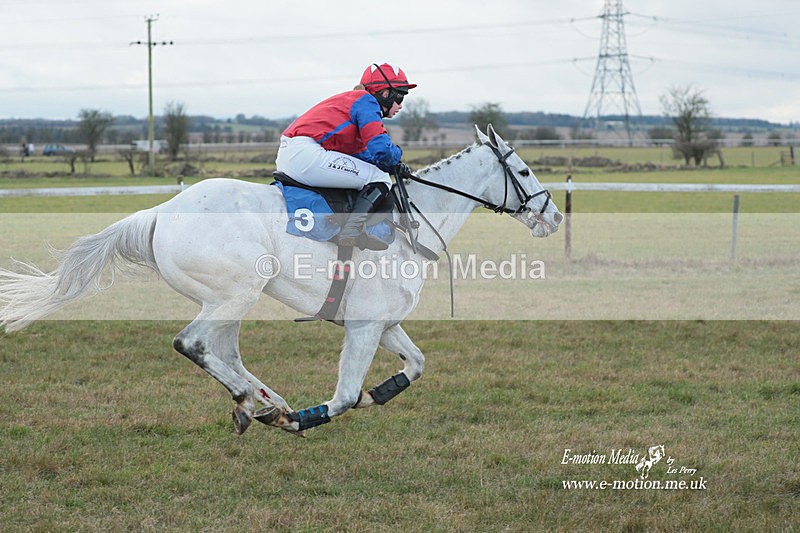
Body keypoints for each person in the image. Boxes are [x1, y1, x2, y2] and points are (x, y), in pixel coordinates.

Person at [276, 63, 416, 250]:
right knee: (379, 178)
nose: (401, 105)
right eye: (400, 96)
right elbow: (381, 149)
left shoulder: (353, 102)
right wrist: (397, 156)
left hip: (292, 154)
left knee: (376, 172)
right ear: (385, 93)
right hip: (305, 153)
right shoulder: (367, 101)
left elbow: (361, 155)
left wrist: (392, 166)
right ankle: (352, 231)